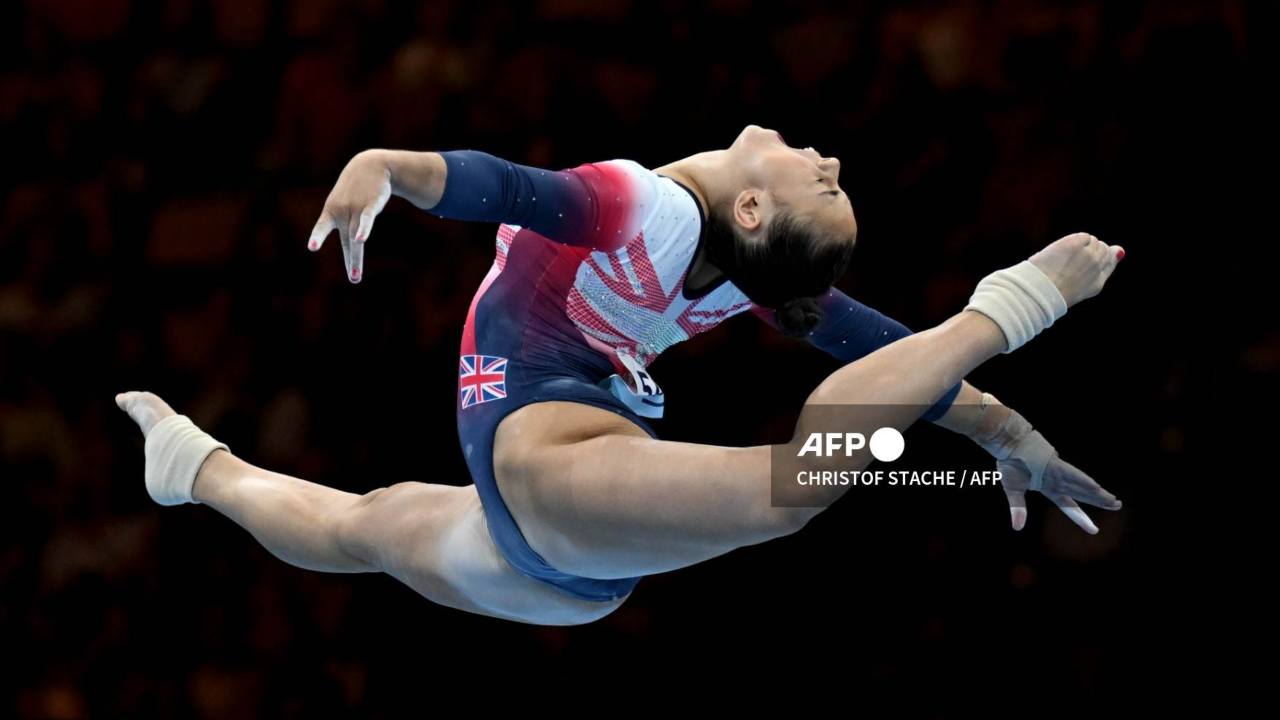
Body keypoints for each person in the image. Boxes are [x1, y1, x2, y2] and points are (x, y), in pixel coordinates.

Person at [116, 124, 1125, 625]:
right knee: (356, 528)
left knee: (791, 492)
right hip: (569, 537)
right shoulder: (753, 276)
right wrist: (1000, 433)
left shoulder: (649, 208)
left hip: (557, 472)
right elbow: (875, 351)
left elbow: (507, 188)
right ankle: (193, 462)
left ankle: (1009, 304)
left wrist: (392, 165)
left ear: (752, 217)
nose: (826, 159)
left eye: (828, 187)